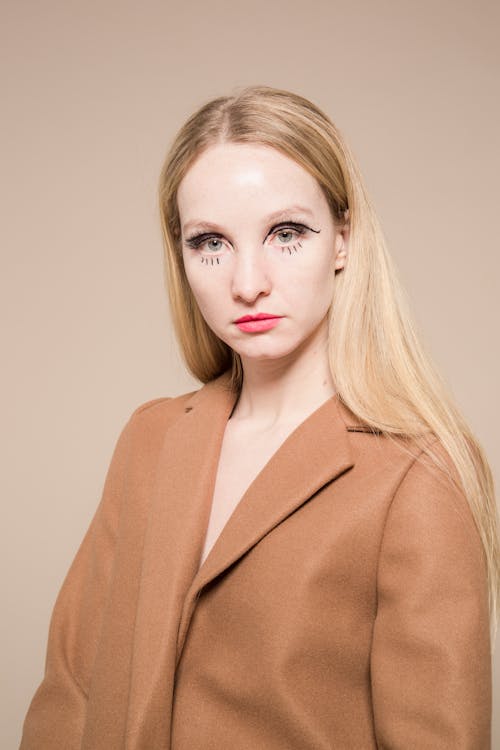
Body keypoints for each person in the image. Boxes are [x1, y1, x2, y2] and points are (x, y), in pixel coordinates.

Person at [20, 85, 498, 749]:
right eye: (210, 242)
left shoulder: (419, 477)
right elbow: (70, 689)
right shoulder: (150, 439)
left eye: (286, 233)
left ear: (342, 240)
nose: (246, 281)